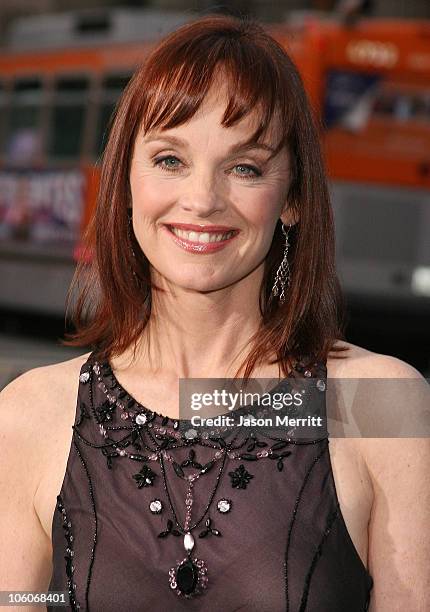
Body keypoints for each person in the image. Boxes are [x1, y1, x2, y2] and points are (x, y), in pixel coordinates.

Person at [0, 14, 429, 612]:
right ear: (124, 179)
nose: (201, 200)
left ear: (293, 199)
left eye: (244, 167)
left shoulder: (381, 405)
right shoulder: (29, 415)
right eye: (170, 160)